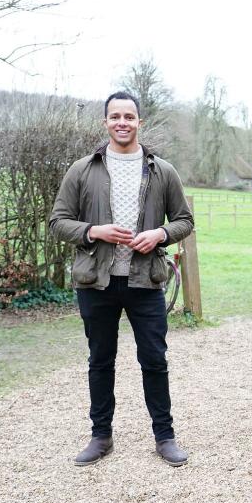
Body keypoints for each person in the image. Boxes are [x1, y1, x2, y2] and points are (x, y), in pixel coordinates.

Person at [49, 91, 194, 467]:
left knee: (155, 361)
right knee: (100, 361)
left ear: (139, 122)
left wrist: (160, 234)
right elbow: (58, 221)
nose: (122, 123)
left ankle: (165, 437)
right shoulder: (82, 169)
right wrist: (94, 231)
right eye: (115, 116)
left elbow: (185, 220)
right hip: (96, 283)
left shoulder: (163, 171)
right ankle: (101, 436)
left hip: (145, 281)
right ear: (105, 122)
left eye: (129, 116)